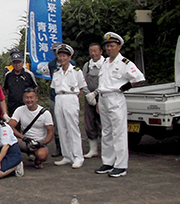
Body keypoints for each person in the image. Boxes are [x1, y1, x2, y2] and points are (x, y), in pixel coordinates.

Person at [93, 32, 145, 178]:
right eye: (108, 46)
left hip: (115, 98)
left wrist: (125, 87)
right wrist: (98, 101)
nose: (109, 49)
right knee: (107, 132)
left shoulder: (124, 63)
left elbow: (139, 78)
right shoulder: (105, 62)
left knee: (119, 133)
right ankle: (108, 162)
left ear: (119, 47)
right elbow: (102, 83)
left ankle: (121, 165)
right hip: (103, 98)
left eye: (112, 46)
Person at [50, 44, 87, 169]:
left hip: (71, 97)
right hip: (59, 98)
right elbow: (54, 88)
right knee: (61, 128)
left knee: (73, 128)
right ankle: (67, 156)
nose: (61, 58)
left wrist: (75, 101)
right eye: (60, 56)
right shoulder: (57, 72)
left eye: (64, 56)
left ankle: (78, 157)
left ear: (69, 57)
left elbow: (81, 88)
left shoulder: (76, 71)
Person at [9, 88, 54, 169]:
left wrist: (42, 143)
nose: (29, 100)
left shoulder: (45, 113)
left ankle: (37, 160)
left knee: (42, 154)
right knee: (9, 140)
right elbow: (10, 126)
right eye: (26, 98)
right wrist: (23, 137)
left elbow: (50, 133)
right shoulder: (20, 110)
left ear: (36, 98)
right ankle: (14, 162)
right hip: (24, 141)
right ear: (23, 99)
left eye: (31, 97)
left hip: (38, 142)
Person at [82, 42, 104, 159]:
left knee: (103, 123)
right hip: (88, 97)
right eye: (91, 51)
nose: (93, 53)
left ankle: (106, 149)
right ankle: (93, 149)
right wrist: (88, 95)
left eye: (96, 51)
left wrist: (96, 94)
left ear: (101, 52)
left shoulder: (105, 64)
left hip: (103, 97)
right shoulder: (87, 65)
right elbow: (82, 81)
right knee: (89, 122)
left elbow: (106, 81)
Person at [3, 50, 38, 116]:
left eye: (19, 62)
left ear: (22, 63)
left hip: (26, 105)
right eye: (15, 62)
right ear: (12, 64)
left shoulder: (29, 74)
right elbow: (6, 89)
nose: (17, 65)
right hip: (12, 106)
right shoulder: (8, 75)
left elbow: (35, 87)